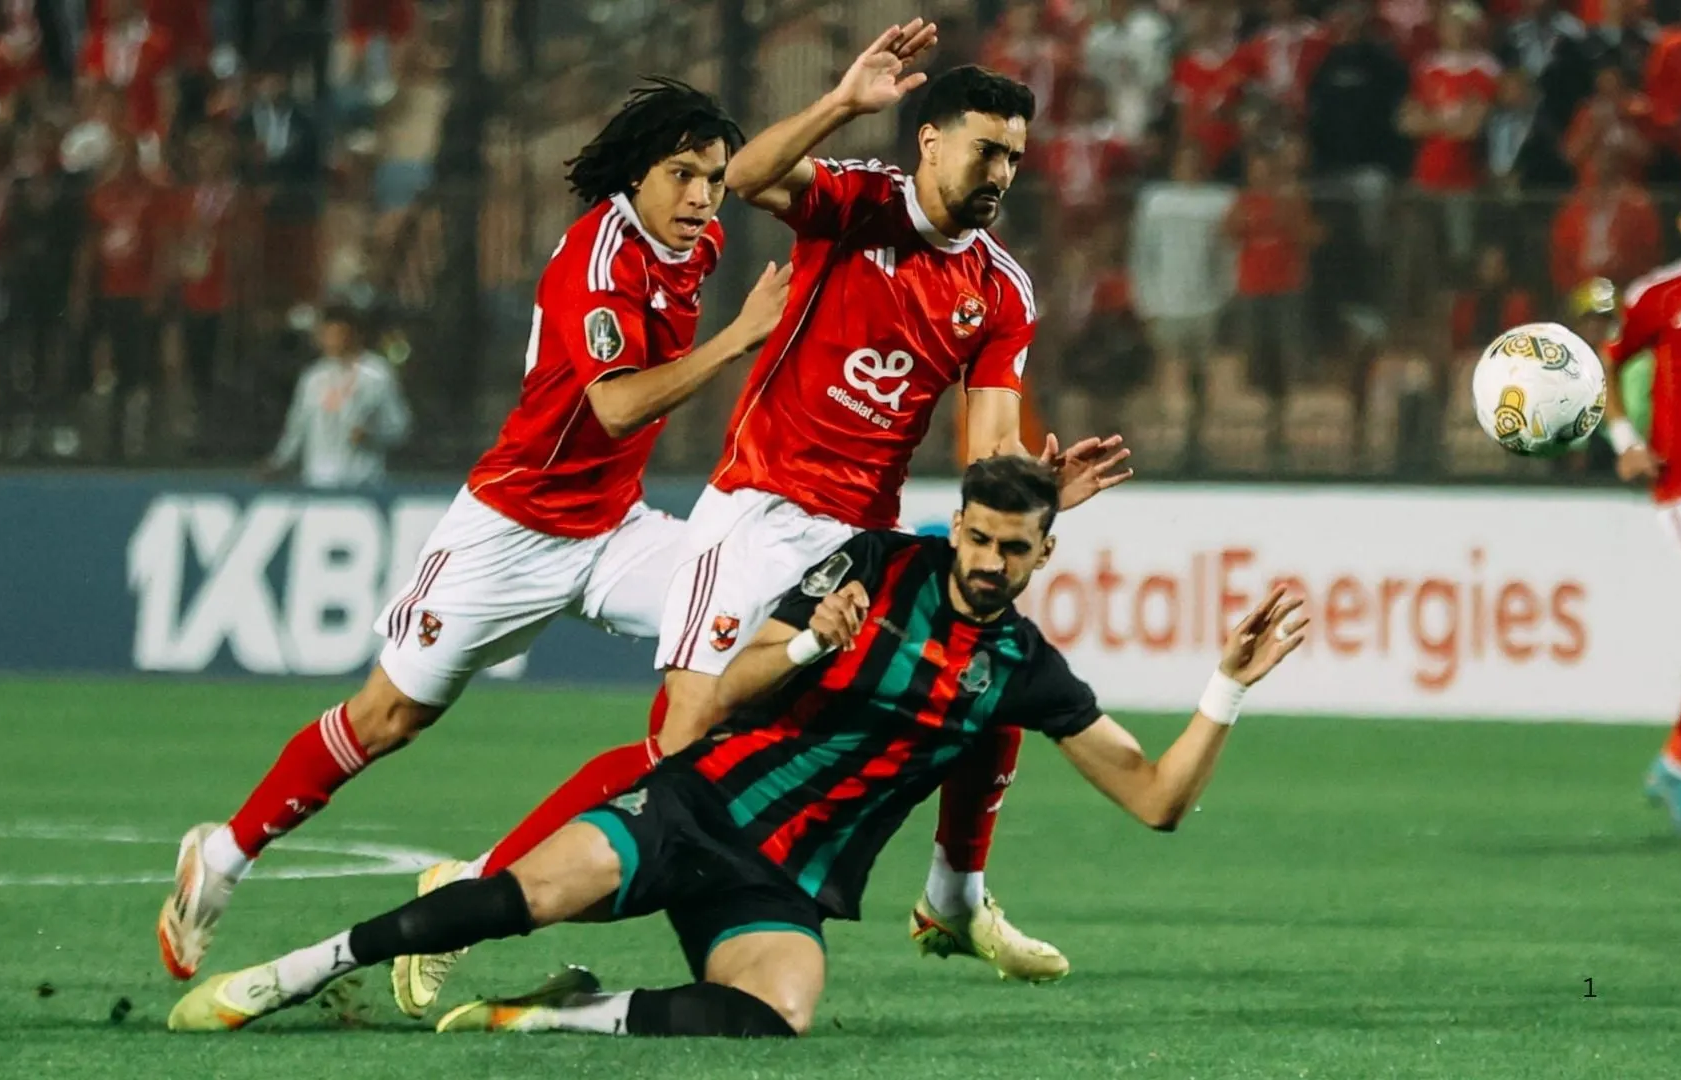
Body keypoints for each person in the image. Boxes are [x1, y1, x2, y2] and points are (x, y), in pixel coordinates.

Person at [396, 23, 1134, 1014]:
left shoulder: (1000, 290)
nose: (1002, 169)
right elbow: (745, 178)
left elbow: (988, 455)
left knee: (983, 656)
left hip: (856, 539)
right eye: (985, 148)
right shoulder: (857, 201)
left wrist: (1037, 495)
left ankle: (953, 895)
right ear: (930, 140)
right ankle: (477, 883)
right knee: (684, 745)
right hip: (758, 512)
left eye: (1014, 155)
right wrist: (840, 101)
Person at [166, 456, 1306, 1038]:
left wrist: (1227, 688)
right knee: (512, 897)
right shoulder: (869, 564)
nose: (995, 562)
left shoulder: (1027, 672)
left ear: (1044, 557)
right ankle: (289, 974)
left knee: (777, 1020)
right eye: (984, 537)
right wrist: (812, 641)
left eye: (1019, 549)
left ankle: (554, 1016)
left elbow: (1155, 798)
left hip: (785, 884)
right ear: (957, 525)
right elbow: (726, 688)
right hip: (694, 809)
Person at [155, 77, 793, 981]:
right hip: (511, 530)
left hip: (614, 531)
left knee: (727, 674)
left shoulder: (699, 241)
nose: (701, 198)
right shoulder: (597, 258)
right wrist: (736, 342)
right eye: (683, 174)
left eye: (716, 179)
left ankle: (475, 885)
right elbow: (611, 408)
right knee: (387, 718)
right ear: (638, 176)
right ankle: (222, 855)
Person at [1593, 193, 1681, 833]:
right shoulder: (1660, 293)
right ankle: (1679, 764)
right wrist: (1626, 444)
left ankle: (1677, 761)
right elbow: (1603, 365)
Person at [261, 303, 410, 488]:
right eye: (326, 335)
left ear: (355, 335)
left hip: (363, 483)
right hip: (317, 481)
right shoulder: (313, 378)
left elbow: (400, 427)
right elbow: (296, 427)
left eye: (338, 335)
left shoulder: (377, 374)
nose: (331, 341)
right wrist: (278, 462)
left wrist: (372, 435)